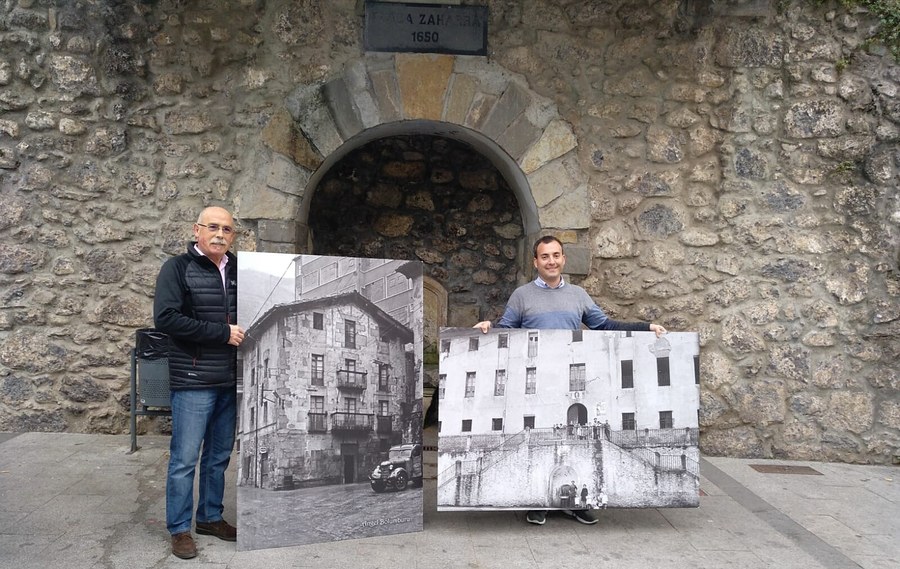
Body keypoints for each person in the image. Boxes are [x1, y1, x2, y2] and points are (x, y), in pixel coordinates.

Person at [475, 235, 666, 526]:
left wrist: (646, 327)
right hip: (538, 384)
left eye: (556, 255)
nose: (551, 261)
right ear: (535, 262)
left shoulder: (578, 295)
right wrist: (489, 325)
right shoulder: (522, 295)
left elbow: (605, 326)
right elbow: (505, 330)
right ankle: (538, 501)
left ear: (563, 259)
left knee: (573, 443)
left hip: (572, 381)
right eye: (544, 256)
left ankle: (575, 503)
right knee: (542, 436)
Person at [154, 206, 245, 559]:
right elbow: (166, 318)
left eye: (227, 229)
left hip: (230, 379)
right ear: (197, 230)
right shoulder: (176, 269)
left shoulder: (240, 270)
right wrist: (222, 333)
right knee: (184, 459)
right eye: (213, 227)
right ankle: (179, 529)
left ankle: (209, 517)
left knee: (219, 456)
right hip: (193, 378)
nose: (220, 234)